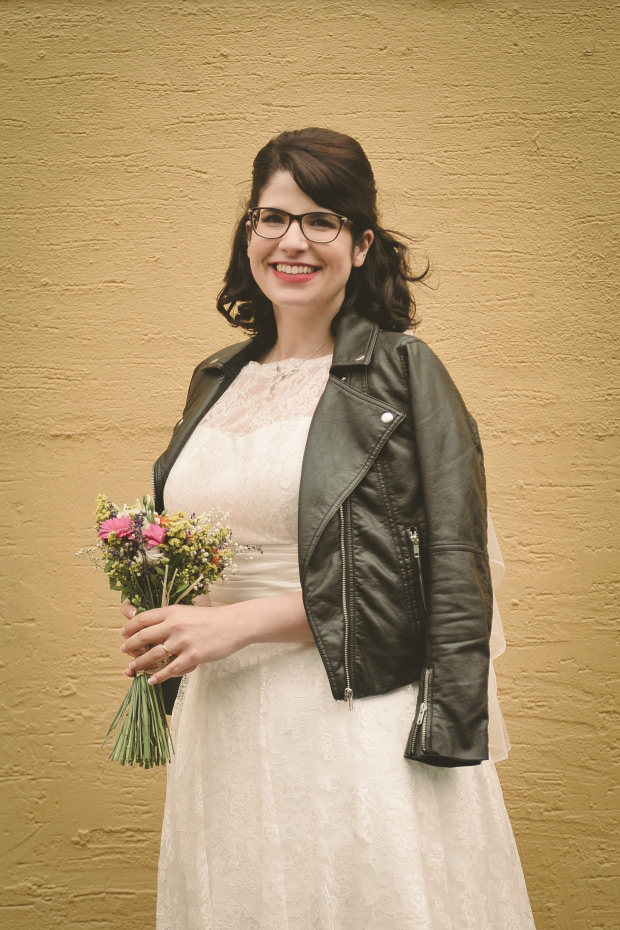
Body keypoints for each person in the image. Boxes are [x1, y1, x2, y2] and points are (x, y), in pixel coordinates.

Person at [119, 127, 536, 929]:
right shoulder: (218, 377)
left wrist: (242, 623)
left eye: (323, 220)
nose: (293, 242)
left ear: (361, 242)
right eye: (272, 218)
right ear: (249, 233)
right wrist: (168, 607)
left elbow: (450, 575)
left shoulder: (407, 372)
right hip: (226, 721)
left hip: (353, 717)